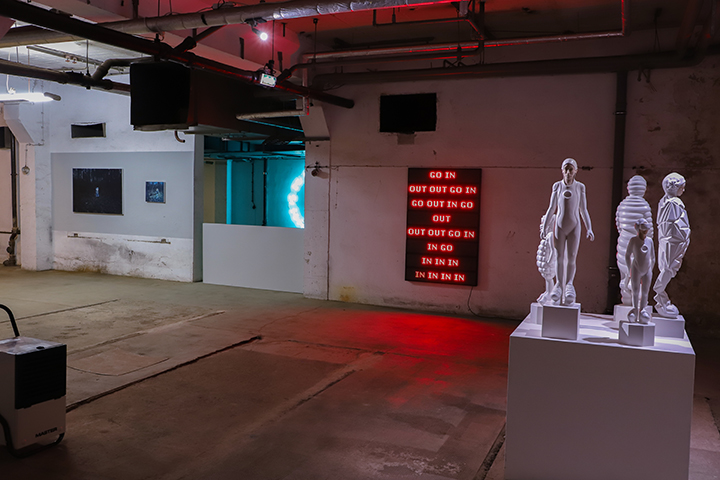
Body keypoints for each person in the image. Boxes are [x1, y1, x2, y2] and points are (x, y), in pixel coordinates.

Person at [541, 158, 594, 305]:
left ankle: (569, 284)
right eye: (566, 169)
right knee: (559, 257)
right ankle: (559, 285)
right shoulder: (557, 186)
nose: (568, 172)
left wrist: (589, 227)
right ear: (562, 170)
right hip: (559, 226)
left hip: (574, 226)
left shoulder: (580, 187)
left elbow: (583, 209)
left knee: (571, 257)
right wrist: (545, 226)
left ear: (576, 171)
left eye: (571, 169)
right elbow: (551, 208)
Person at [654, 173, 690, 318]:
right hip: (672, 242)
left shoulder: (665, 201)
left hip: (670, 241)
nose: (684, 190)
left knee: (667, 268)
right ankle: (659, 294)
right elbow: (670, 225)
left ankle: (661, 296)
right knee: (668, 268)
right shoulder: (673, 203)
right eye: (682, 187)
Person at [615, 175, 653, 305]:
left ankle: (626, 297)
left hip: (624, 240)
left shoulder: (622, 205)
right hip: (639, 242)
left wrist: (624, 234)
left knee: (624, 269)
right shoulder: (644, 206)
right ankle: (634, 299)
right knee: (638, 270)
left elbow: (618, 223)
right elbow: (649, 227)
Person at [624, 219, 655, 324]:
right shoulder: (633, 240)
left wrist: (650, 269)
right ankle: (635, 309)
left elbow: (653, 257)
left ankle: (643, 309)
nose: (645, 231)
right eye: (643, 229)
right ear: (638, 229)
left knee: (645, 292)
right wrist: (630, 269)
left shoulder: (650, 241)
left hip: (647, 269)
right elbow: (627, 255)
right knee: (635, 291)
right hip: (636, 268)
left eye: (646, 229)